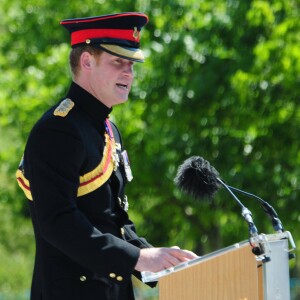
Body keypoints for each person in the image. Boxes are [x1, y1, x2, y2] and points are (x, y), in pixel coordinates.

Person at [16, 12, 197, 300]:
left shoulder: (107, 129)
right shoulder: (57, 129)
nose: (129, 73)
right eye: (118, 62)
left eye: (132, 64)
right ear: (87, 61)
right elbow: (58, 221)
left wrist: (156, 258)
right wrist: (136, 258)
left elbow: (114, 220)